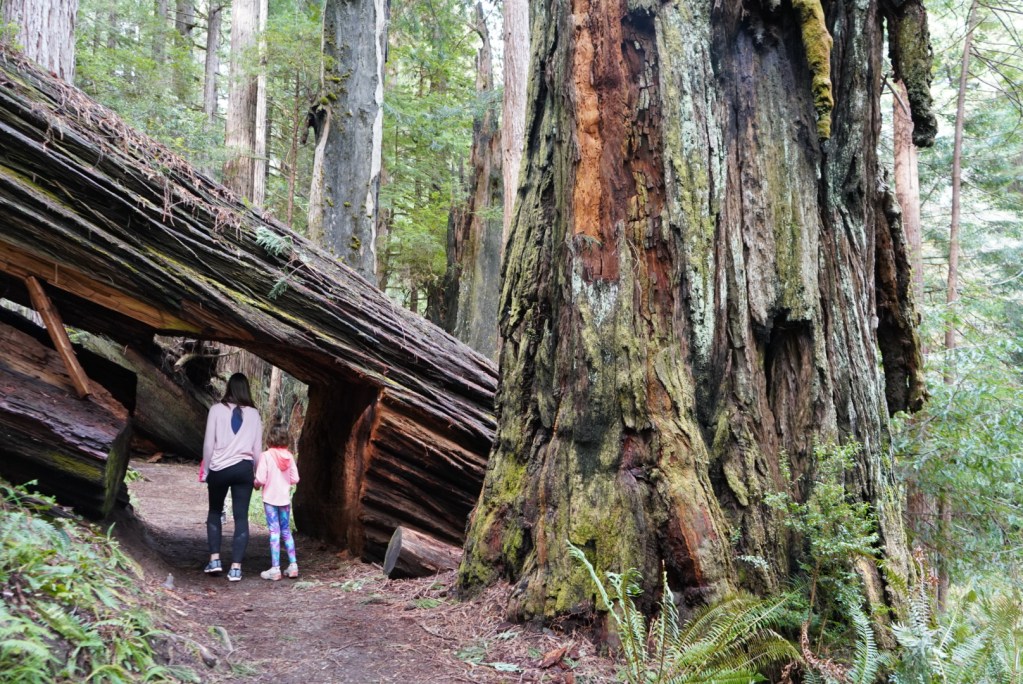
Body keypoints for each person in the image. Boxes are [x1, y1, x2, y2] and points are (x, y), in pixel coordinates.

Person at [200, 373, 263, 581]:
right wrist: (258, 474)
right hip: (243, 470)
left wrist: (207, 469)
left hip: (219, 469)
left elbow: (209, 444)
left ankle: (215, 560)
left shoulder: (216, 410)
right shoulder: (254, 414)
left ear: (229, 388)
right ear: (246, 390)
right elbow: (257, 449)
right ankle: (236, 568)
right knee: (241, 517)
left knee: (215, 511)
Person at [254, 423, 300, 580]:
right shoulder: (289, 456)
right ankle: (293, 566)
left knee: (275, 532)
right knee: (286, 531)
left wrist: (256, 485)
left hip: (270, 500)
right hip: (284, 500)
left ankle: (275, 569)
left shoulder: (266, 456)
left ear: (270, 439)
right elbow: (295, 478)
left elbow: (260, 478)